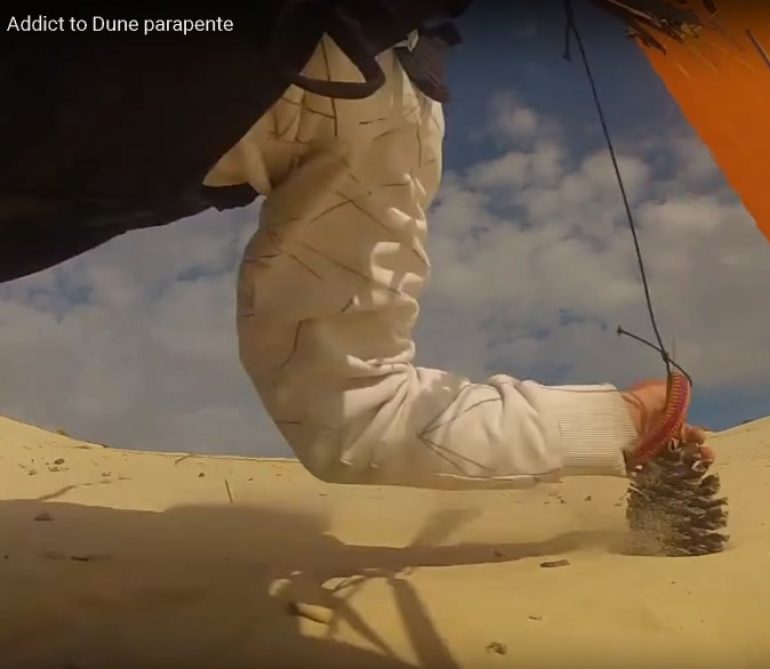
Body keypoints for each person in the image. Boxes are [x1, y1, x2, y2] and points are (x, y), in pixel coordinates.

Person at [1, 0, 713, 489]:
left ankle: (626, 416)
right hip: (374, 79)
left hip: (275, 65)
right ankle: (624, 418)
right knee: (359, 412)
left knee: (359, 413)